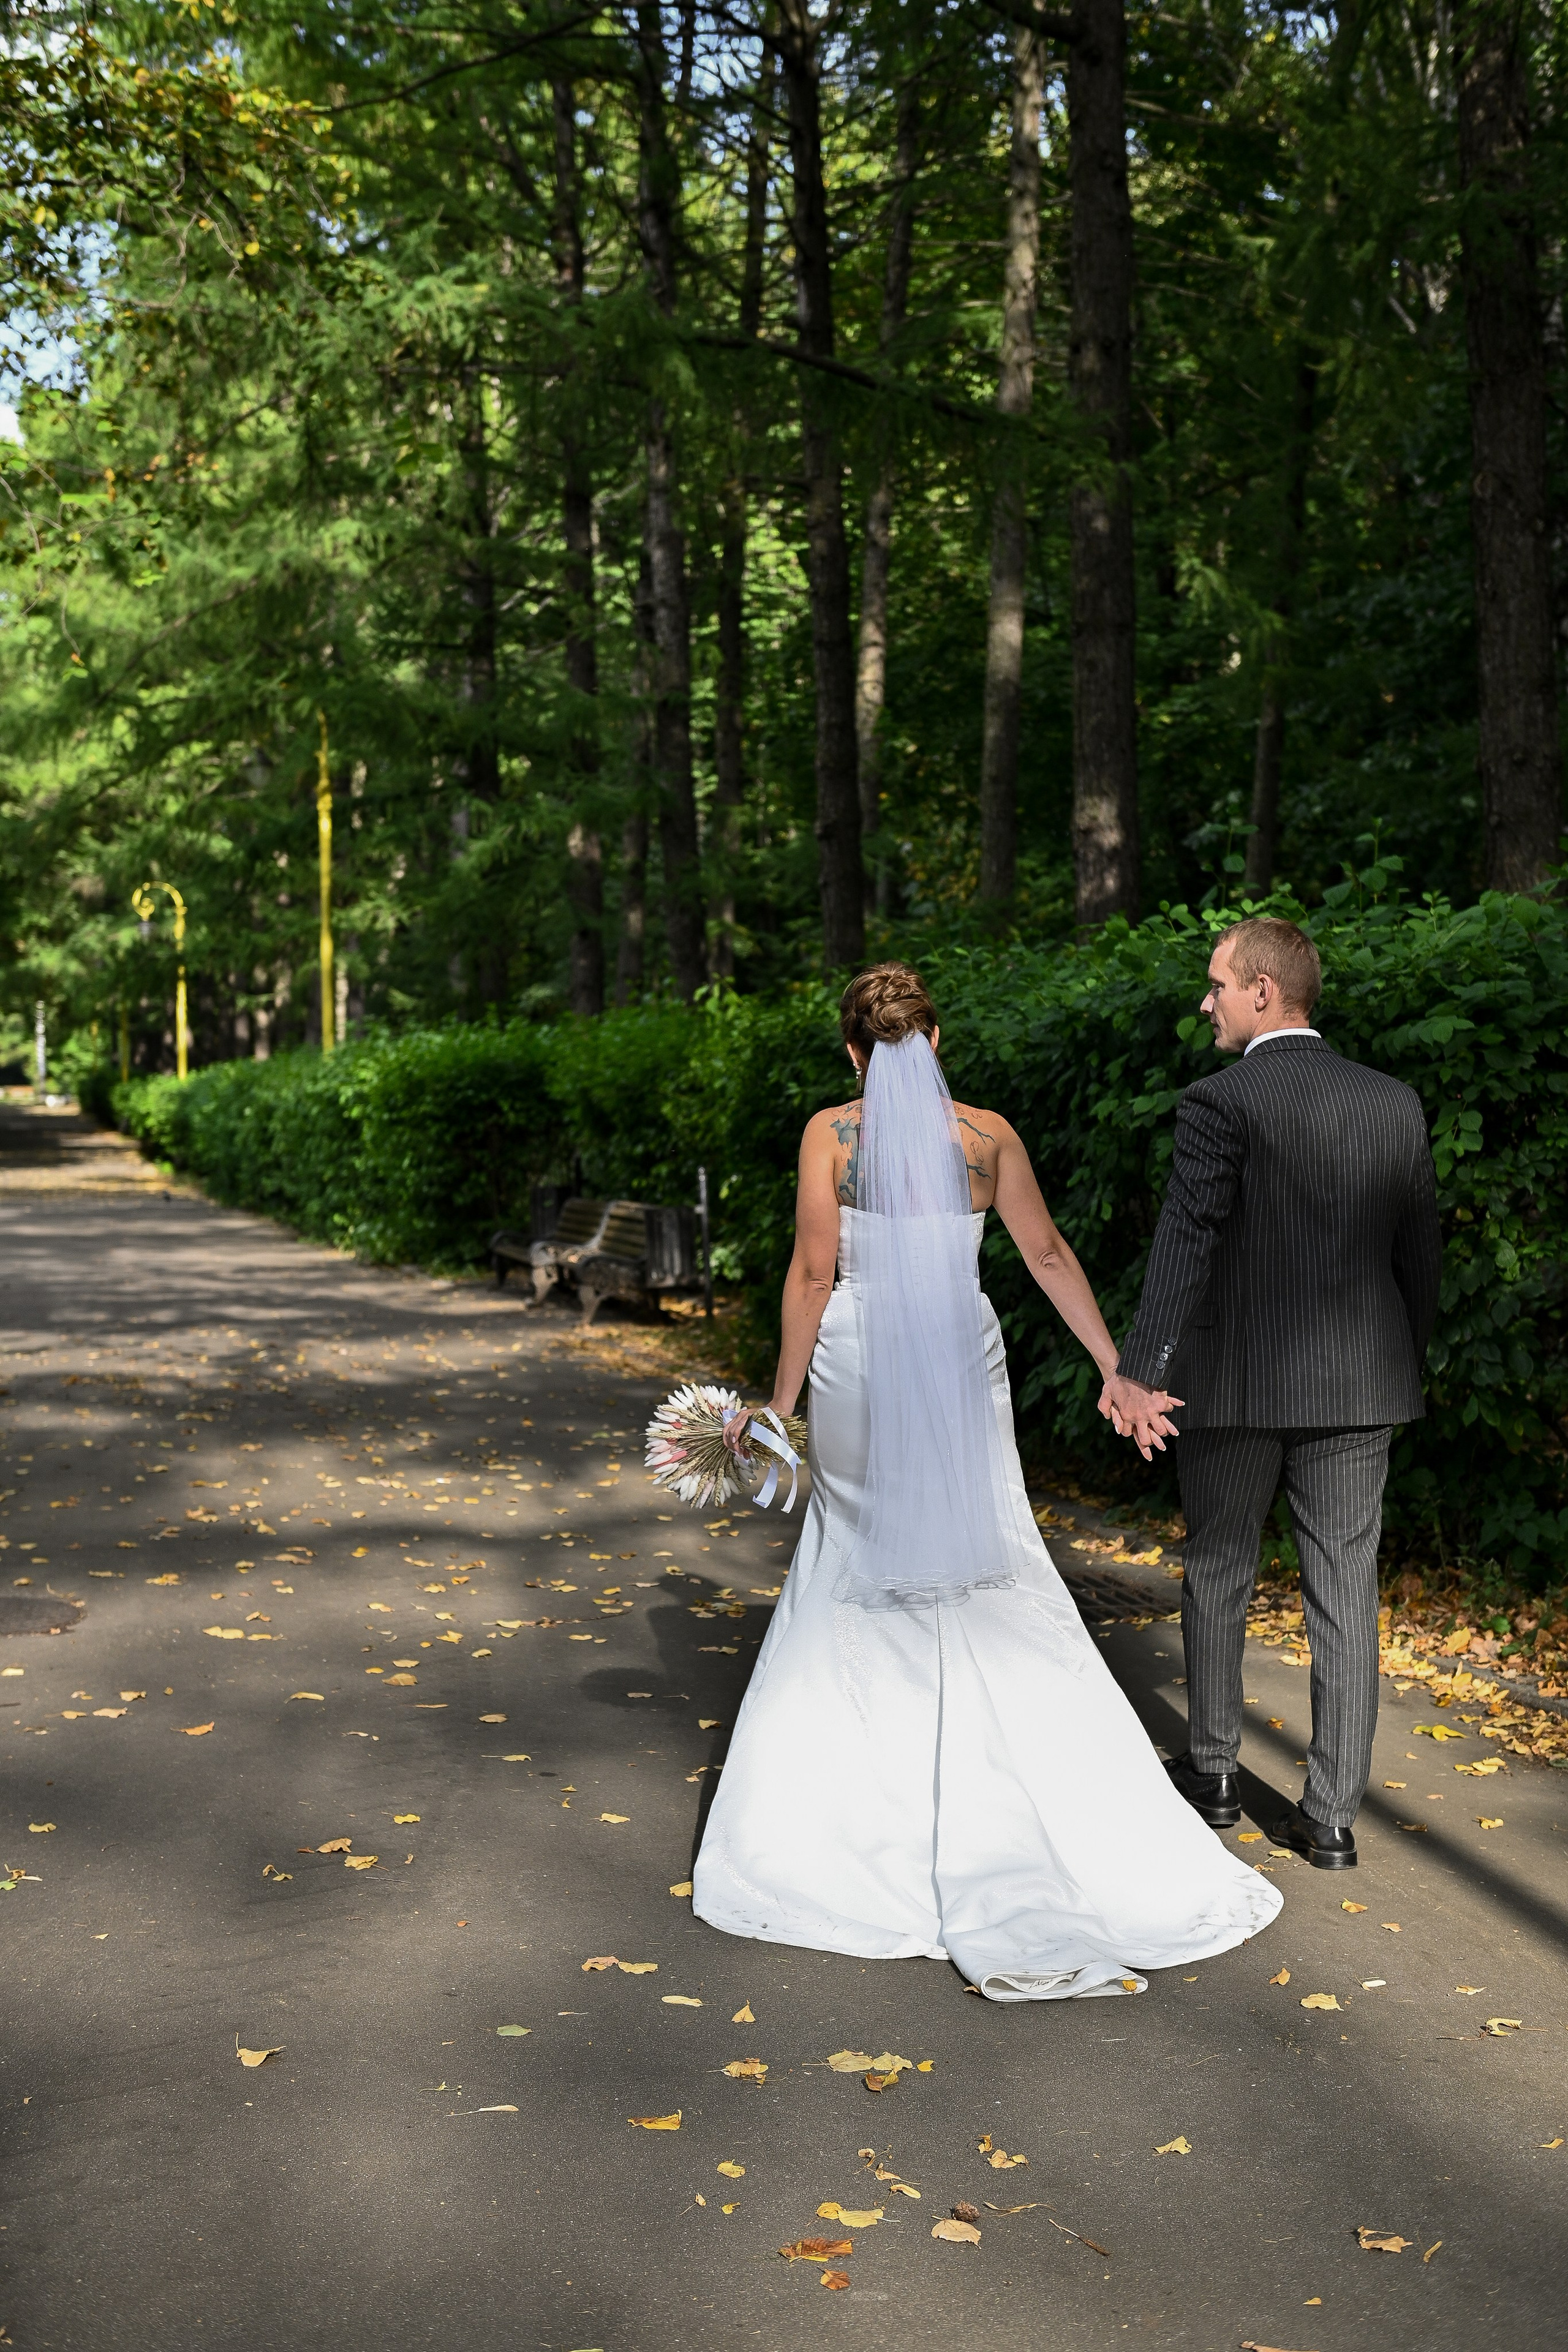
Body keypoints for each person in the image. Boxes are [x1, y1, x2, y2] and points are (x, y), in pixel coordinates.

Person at [692, 963, 1281, 2001]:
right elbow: (1046, 1253)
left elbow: (816, 1274)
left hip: (864, 1358)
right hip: (964, 1357)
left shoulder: (833, 1137)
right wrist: (1117, 1368)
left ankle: (866, 1799)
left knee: (858, 1558)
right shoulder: (988, 1136)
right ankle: (1025, 1773)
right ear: (938, 1043)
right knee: (983, 1555)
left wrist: (781, 1407)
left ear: (853, 1052)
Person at [1114, 916, 1442, 1870]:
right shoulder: (1393, 1102)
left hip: (1237, 1385)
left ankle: (1214, 1775)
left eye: (1216, 985)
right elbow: (1419, 1257)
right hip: (1362, 1382)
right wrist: (1398, 1360)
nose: (1204, 1002)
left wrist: (1140, 1371)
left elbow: (1185, 1246)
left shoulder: (1222, 1101)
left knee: (1218, 1570)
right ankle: (1331, 1819)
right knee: (1346, 1588)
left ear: (1266, 991)